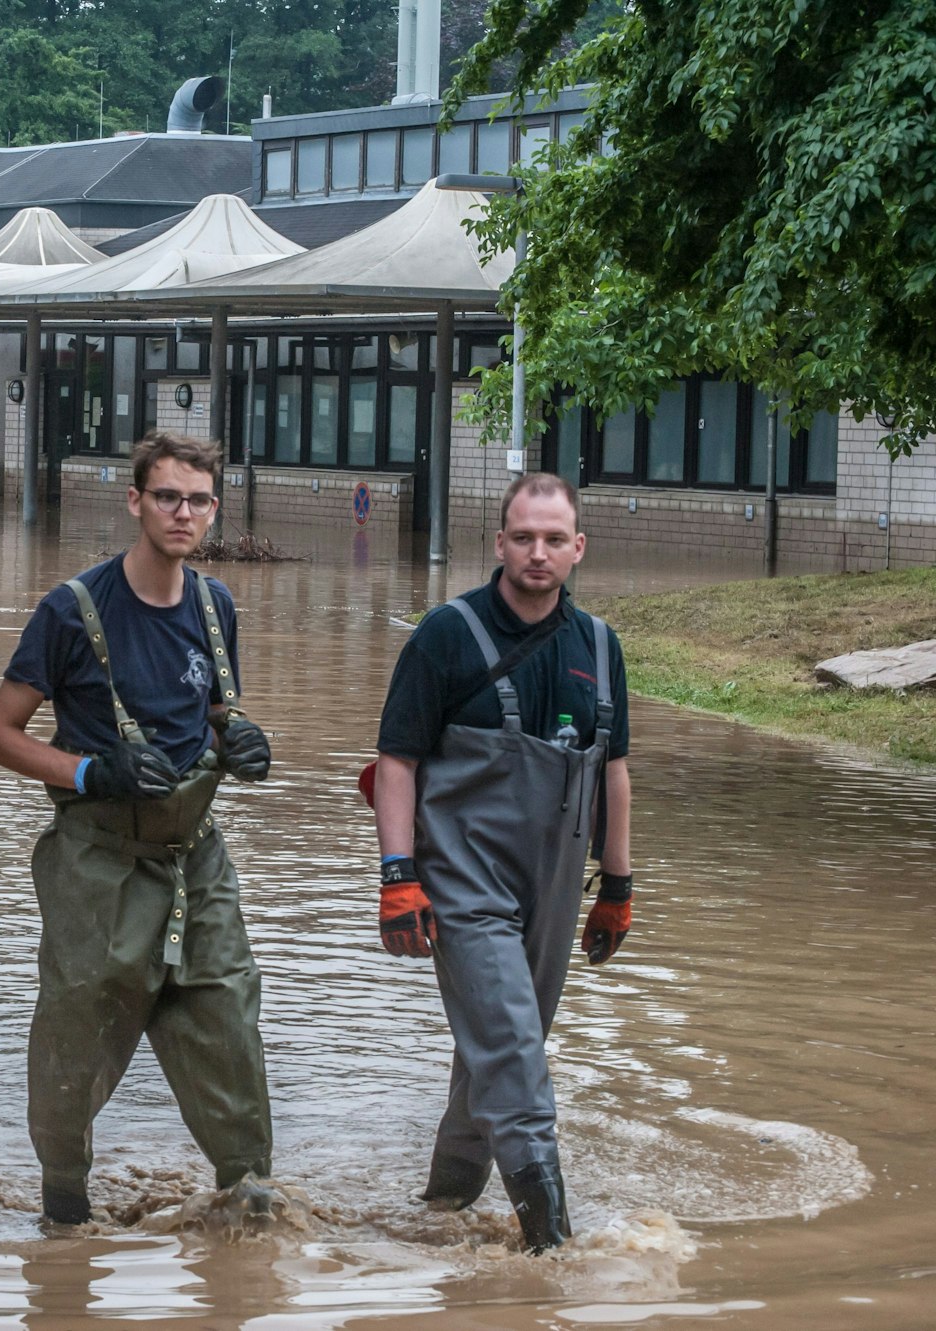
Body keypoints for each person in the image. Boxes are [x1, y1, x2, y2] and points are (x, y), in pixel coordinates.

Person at [0, 431, 277, 1227]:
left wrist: (238, 738)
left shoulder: (216, 607)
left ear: (216, 509)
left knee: (230, 1024)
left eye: (200, 500)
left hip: (194, 860)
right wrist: (87, 771)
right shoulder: (72, 610)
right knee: (76, 1035)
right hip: (98, 864)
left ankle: (250, 1218)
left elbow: (213, 714)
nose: (185, 512)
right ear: (136, 500)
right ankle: (65, 1214)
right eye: (169, 496)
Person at [365, 472, 635, 1253]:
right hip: (462, 880)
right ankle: (554, 1251)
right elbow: (397, 761)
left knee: (496, 1051)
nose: (538, 553)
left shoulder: (600, 646)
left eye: (555, 539)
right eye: (524, 537)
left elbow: (613, 771)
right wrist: (397, 873)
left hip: (553, 883)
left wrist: (617, 885)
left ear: (578, 548)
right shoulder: (445, 634)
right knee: (515, 1052)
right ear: (499, 543)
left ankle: (437, 1214)